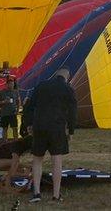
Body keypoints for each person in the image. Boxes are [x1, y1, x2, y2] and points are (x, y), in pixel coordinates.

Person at [28, 68, 78, 203]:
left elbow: (30, 105)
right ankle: (56, 195)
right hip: (57, 128)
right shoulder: (67, 88)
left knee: (37, 159)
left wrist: (28, 124)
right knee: (56, 160)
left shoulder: (41, 86)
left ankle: (36, 193)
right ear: (67, 77)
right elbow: (73, 111)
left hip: (39, 126)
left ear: (55, 74)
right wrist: (71, 130)